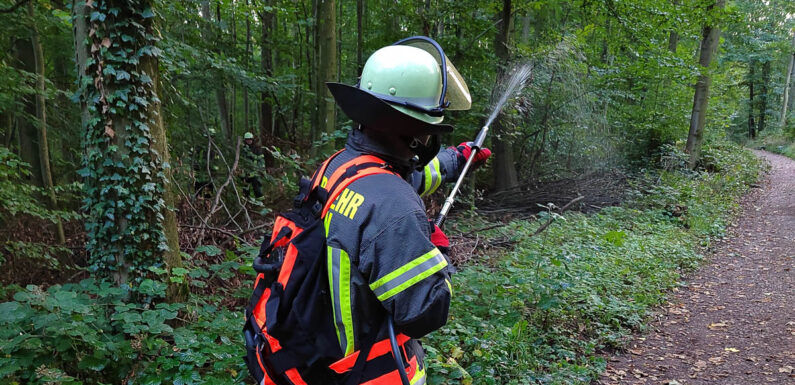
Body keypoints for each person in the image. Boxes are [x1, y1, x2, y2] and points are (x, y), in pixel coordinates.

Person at [315, 36, 492, 384]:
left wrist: (458, 158)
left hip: (319, 359)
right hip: (365, 373)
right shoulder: (393, 207)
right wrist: (438, 252)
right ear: (413, 131)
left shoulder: (340, 168)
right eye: (428, 129)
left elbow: (411, 176)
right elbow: (425, 311)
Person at [241, 131, 265, 198]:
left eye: (250, 139)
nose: (249, 141)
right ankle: (247, 204)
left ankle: (261, 203)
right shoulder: (243, 149)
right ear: (245, 140)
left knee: (257, 189)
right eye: (247, 139)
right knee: (245, 189)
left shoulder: (257, 148)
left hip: (255, 172)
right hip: (246, 172)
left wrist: (260, 169)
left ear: (252, 139)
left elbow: (261, 160)